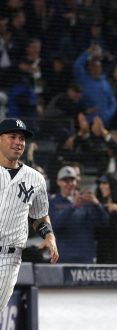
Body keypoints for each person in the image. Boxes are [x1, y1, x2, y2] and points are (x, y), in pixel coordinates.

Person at [0, 118, 58, 312]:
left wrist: (49, 237)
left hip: (8, 258)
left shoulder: (36, 179)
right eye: (12, 137)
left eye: (22, 138)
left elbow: (39, 216)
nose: (18, 142)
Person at [49, 165, 109, 263]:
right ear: (58, 182)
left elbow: (104, 224)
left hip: (86, 256)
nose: (69, 184)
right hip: (64, 256)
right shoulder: (52, 202)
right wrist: (73, 206)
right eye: (65, 181)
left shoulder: (86, 201)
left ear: (76, 182)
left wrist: (97, 205)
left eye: (72, 180)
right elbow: (54, 225)